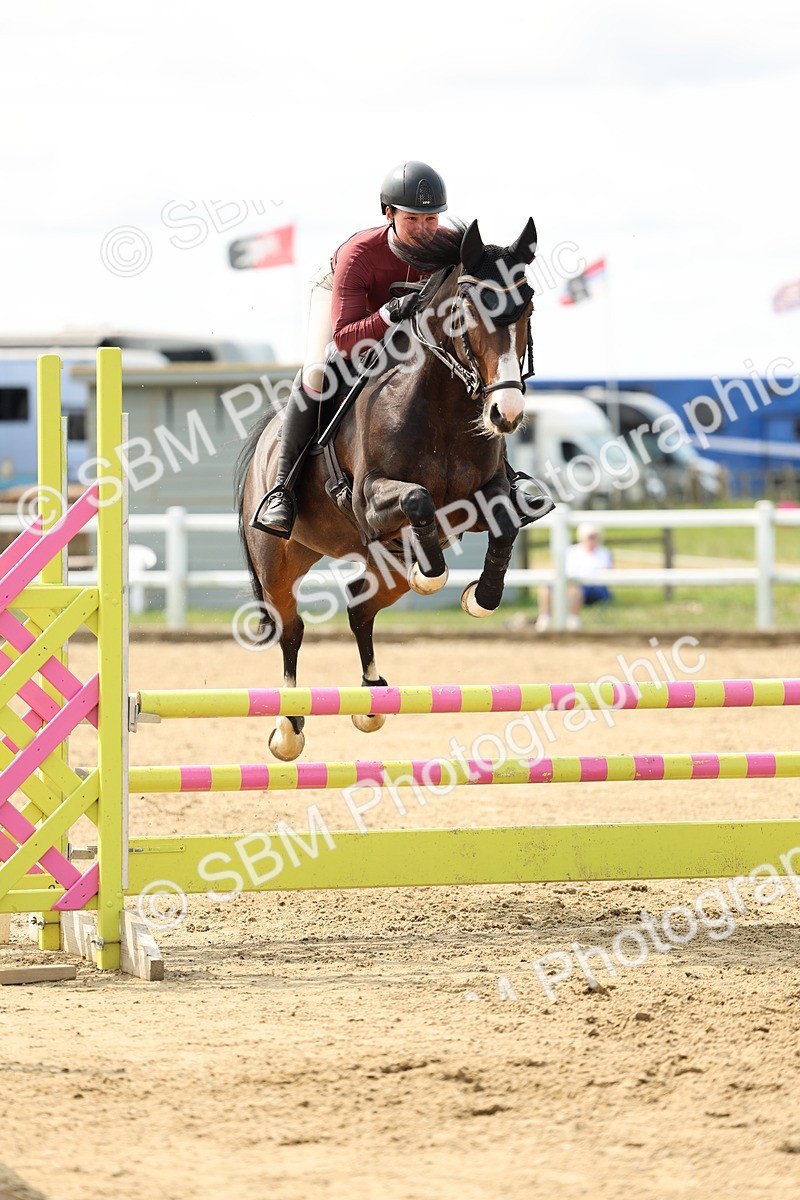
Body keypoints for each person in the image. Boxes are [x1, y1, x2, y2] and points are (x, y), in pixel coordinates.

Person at [250, 160, 551, 538]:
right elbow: (346, 339)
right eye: (413, 219)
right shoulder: (359, 254)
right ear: (389, 213)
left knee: (469, 373)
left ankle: (506, 477)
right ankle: (283, 489)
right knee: (316, 373)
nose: (425, 230)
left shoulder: (452, 252)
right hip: (349, 318)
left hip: (410, 333)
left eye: (432, 220)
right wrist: (389, 314)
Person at [535, 521, 612, 631]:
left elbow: (604, 574)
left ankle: (573, 620)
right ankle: (545, 618)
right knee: (546, 587)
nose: (592, 539)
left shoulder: (603, 553)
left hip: (593, 588)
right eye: (589, 536)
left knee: (573, 588)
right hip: (570, 585)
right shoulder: (572, 551)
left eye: (594, 536)